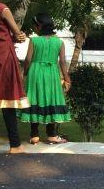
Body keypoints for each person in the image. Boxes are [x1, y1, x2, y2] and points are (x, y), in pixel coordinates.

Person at [19, 13, 71, 144]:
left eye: (35, 25)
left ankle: (34, 135)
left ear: (39, 26)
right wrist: (67, 78)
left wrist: (24, 73)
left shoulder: (34, 40)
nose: (34, 28)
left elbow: (29, 59)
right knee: (51, 100)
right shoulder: (59, 42)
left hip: (35, 73)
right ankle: (52, 135)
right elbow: (63, 62)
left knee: (34, 98)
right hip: (52, 74)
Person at [0, 0, 28, 153]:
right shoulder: (2, 8)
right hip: (3, 57)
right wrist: (19, 36)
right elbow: (18, 34)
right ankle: (15, 145)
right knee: (8, 100)